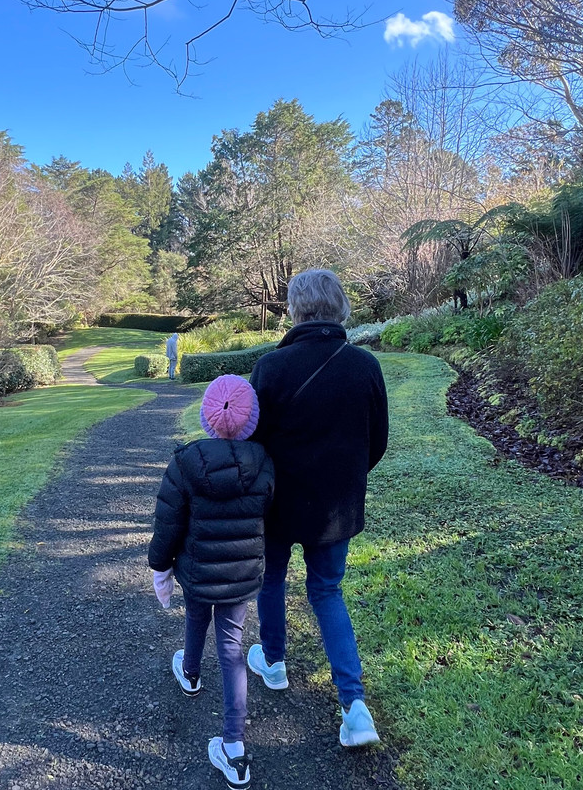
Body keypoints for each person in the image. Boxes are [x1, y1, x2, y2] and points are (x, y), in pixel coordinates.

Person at [245, 268, 389, 748]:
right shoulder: (364, 364)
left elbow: (252, 441)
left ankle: (275, 660)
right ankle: (354, 706)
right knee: (327, 592)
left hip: (279, 503)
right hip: (337, 505)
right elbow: (377, 442)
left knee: (271, 579)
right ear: (340, 306)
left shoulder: (270, 367)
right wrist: (342, 477)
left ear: (295, 309)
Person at [148, 374, 275, 790]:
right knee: (233, 649)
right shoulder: (264, 462)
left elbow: (168, 523)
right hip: (240, 575)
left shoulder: (185, 462)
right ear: (250, 418)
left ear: (207, 416)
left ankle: (189, 671)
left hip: (197, 571)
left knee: (196, 614)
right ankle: (234, 748)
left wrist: (160, 567)